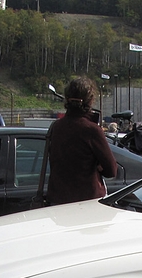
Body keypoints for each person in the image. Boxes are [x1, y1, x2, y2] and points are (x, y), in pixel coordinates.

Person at [46, 77, 117, 205]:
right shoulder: (91, 130)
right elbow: (111, 170)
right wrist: (98, 167)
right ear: (90, 101)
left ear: (67, 99)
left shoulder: (56, 127)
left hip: (58, 201)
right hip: (87, 202)